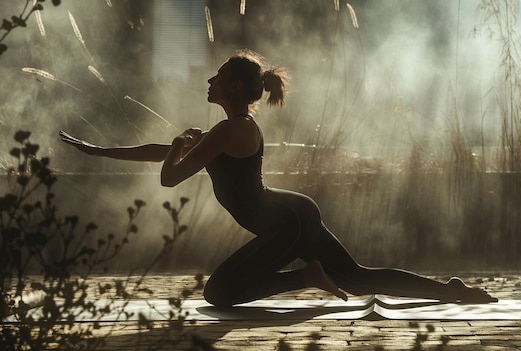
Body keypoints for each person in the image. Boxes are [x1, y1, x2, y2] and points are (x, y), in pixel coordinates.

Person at [60, 50, 497, 307]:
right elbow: (163, 152)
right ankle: (451, 292)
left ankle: (306, 278)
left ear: (232, 88)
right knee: (356, 275)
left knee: (219, 294)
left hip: (284, 220)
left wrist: (177, 144)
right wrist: (98, 150)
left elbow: (169, 177)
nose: (209, 80)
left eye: (218, 77)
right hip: (290, 209)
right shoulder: (230, 128)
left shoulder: (231, 129)